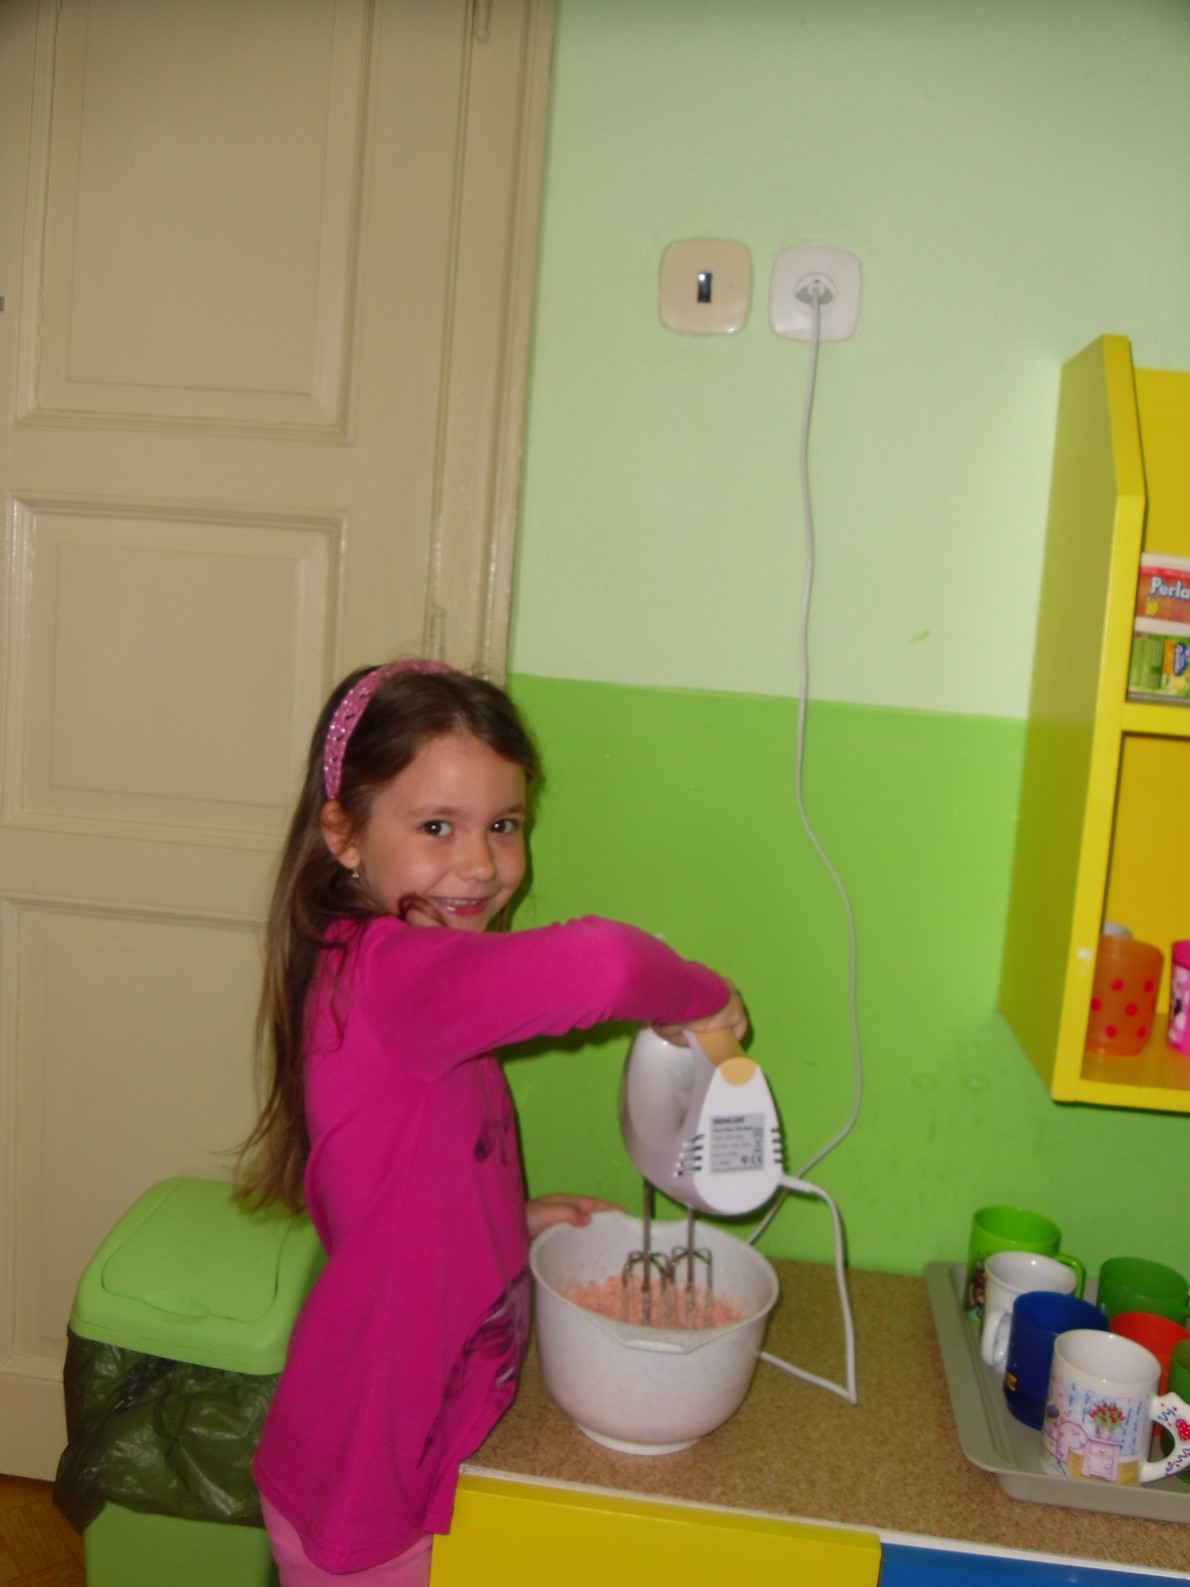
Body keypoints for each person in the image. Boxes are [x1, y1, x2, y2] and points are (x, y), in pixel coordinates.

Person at [238, 658, 745, 1585]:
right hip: (367, 1467)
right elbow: (604, 966)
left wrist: (505, 1221)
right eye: (437, 826)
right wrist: (703, 996)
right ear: (344, 834)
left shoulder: (399, 972)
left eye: (503, 825)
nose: (479, 864)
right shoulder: (397, 976)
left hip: (413, 1426)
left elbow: (401, 1180)